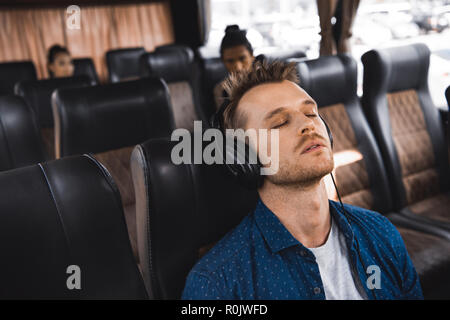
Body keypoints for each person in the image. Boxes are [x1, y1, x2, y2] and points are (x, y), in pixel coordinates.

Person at [182, 60, 423, 300]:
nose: (308, 124)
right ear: (243, 159)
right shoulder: (217, 285)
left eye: (310, 113)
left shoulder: (381, 233)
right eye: (280, 122)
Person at [213, 25, 255, 110]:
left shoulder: (267, 81)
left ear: (252, 57)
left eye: (242, 58)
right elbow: (222, 121)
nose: (238, 67)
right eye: (230, 61)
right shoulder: (221, 90)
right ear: (223, 62)